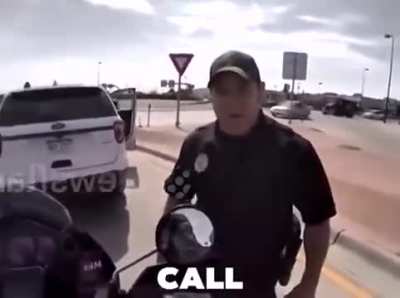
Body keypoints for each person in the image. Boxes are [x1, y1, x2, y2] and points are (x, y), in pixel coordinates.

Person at [163, 50, 337, 298]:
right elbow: (176, 202)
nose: (233, 101)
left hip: (257, 283)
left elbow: (318, 221)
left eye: (243, 90)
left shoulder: (294, 151)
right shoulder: (196, 144)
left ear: (261, 92)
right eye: (223, 91)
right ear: (211, 96)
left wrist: (309, 284)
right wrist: (166, 259)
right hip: (203, 277)